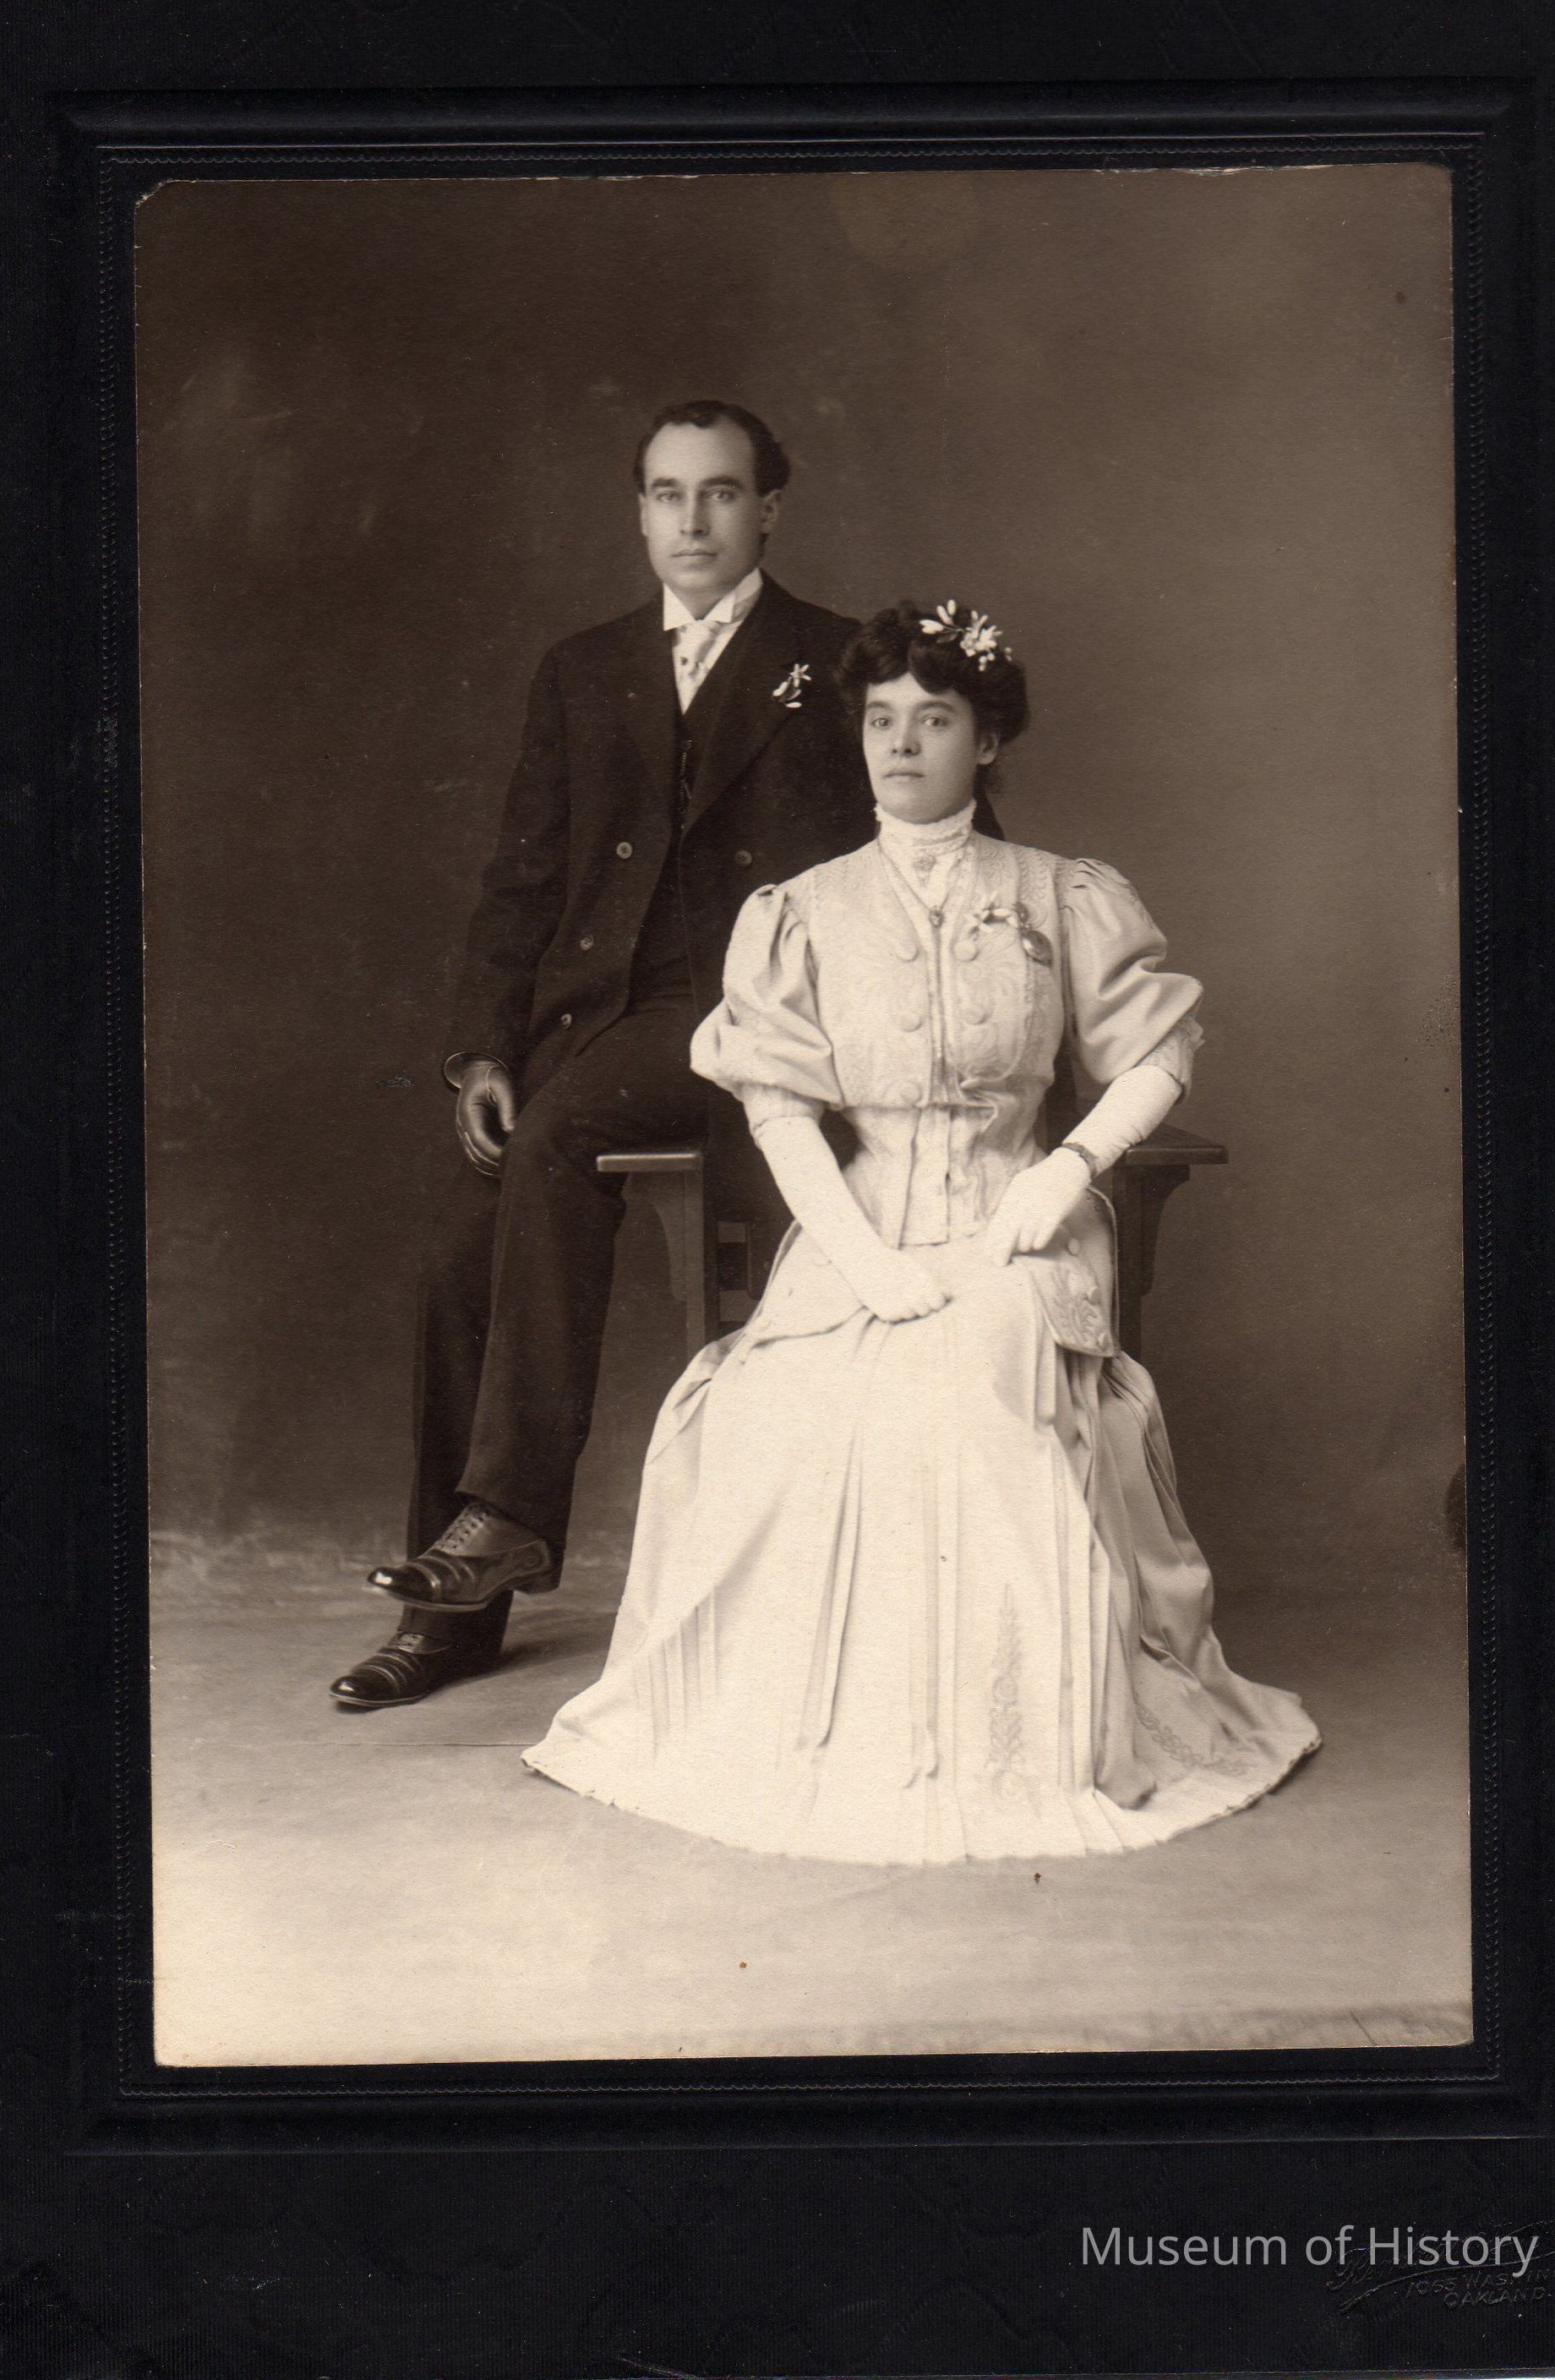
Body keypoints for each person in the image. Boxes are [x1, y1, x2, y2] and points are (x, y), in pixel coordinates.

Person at [523, 601, 1319, 1862]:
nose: (901, 745)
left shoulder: (1059, 892)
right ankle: (827, 1741)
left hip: (1016, 1227)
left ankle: (1018, 1746)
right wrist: (860, 1257)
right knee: (774, 1412)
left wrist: (1069, 1169)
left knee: (972, 1391)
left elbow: (1161, 1054)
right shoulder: (802, 910)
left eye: (934, 720)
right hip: (859, 1228)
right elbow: (778, 1105)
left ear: (985, 740)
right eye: (881, 720)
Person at [332, 401, 873, 1708]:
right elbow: (522, 878)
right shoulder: (582, 669)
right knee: (460, 1250)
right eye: (667, 494)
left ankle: (510, 1511)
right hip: (589, 1021)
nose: (693, 520)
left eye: (721, 493)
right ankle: (454, 1610)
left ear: (769, 510)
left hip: (750, 1018)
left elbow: (919, 837)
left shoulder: (840, 658)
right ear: (637, 512)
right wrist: (482, 1048)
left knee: (567, 1131)